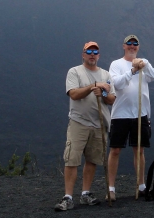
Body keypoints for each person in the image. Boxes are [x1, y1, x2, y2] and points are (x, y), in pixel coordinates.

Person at [54, 41, 116, 211]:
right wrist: (93, 86)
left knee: (92, 160)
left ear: (99, 55)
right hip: (78, 122)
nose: (92, 54)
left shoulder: (106, 75)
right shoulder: (74, 72)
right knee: (72, 159)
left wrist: (103, 93)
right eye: (89, 51)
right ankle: (68, 197)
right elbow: (73, 94)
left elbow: (111, 99)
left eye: (95, 51)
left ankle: (85, 193)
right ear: (83, 54)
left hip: (99, 123)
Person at [107, 34, 154, 201]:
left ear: (138, 46)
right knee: (115, 150)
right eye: (129, 43)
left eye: (135, 44)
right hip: (120, 114)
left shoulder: (144, 63)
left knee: (139, 150)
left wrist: (144, 64)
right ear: (123, 46)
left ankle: (141, 185)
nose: (132, 46)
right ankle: (111, 188)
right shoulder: (116, 64)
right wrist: (133, 70)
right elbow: (117, 84)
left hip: (140, 113)